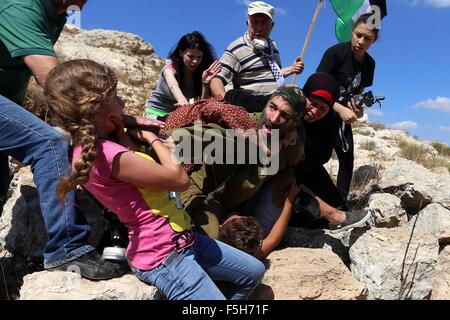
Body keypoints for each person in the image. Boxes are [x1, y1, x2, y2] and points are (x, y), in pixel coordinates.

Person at [45, 59, 265, 300]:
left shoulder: (98, 148)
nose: (124, 102)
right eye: (117, 98)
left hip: (185, 240)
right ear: (96, 108)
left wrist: (125, 124)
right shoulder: (106, 154)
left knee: (254, 271)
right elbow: (179, 179)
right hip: (164, 256)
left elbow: (135, 171)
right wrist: (153, 139)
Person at [0, 0, 129, 280]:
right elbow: (57, 83)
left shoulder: (55, 12)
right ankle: (68, 250)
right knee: (48, 144)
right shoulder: (20, 7)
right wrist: (117, 117)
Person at [219, 73, 372, 260]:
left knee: (323, 203)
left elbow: (316, 161)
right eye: (312, 103)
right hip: (250, 181)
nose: (315, 111)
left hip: (298, 172)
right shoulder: (274, 111)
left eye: (323, 108)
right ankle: (331, 215)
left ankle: (331, 215)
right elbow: (232, 96)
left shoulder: (328, 125)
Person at [317, 12, 378, 204]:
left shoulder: (369, 64)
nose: (361, 41)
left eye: (367, 38)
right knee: (318, 157)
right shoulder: (335, 53)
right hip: (319, 112)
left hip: (342, 119)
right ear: (352, 31)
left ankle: (340, 205)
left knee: (346, 159)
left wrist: (358, 108)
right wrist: (339, 108)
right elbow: (317, 88)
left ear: (374, 41)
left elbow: (359, 90)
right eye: (358, 35)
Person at [210, 1, 304, 112]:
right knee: (234, 95)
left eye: (264, 23)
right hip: (250, 102)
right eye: (255, 22)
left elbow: (271, 74)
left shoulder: (273, 46)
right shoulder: (236, 48)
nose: (259, 28)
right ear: (247, 23)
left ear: (272, 26)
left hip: (274, 99)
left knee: (300, 97)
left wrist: (292, 69)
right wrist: (224, 106)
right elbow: (216, 79)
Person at [147, 31, 221, 118]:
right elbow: (173, 86)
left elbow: (202, 105)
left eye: (199, 57)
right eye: (191, 56)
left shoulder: (201, 74)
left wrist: (205, 84)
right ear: (181, 53)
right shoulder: (170, 68)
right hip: (156, 112)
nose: (195, 61)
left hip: (178, 116)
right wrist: (181, 99)